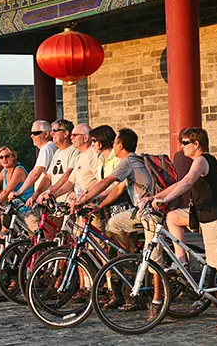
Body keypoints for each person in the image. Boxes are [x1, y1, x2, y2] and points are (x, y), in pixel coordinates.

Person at [148, 127, 217, 330]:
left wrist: (165, 199)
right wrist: (154, 197)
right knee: (173, 217)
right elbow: (179, 184)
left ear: (197, 144)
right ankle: (181, 262)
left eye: (185, 142)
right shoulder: (197, 162)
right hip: (201, 214)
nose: (181, 146)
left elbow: (187, 182)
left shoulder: (202, 160)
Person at [72, 128, 162, 315]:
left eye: (115, 143)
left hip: (152, 212)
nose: (113, 146)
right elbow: (117, 189)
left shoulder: (128, 161)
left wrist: (83, 199)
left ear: (121, 145)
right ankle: (129, 257)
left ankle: (157, 300)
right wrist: (99, 206)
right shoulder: (128, 163)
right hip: (139, 211)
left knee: (154, 257)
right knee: (113, 223)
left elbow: (106, 182)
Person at [9, 120, 57, 203]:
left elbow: (36, 173)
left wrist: (19, 192)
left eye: (35, 133)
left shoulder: (46, 148)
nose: (32, 136)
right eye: (31, 133)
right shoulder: (51, 147)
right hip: (47, 195)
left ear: (46, 134)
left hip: (47, 197)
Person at [34, 119, 80, 204]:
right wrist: (36, 194)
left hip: (68, 202)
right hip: (56, 203)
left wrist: (50, 192)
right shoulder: (57, 152)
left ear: (66, 133)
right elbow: (48, 177)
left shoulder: (75, 150)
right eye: (51, 131)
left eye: (55, 130)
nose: (52, 133)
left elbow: (68, 174)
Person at [0, 147, 34, 218]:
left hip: (27, 210)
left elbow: (6, 191)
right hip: (13, 210)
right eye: (1, 157)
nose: (4, 159)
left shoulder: (18, 170)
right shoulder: (4, 171)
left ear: (14, 157)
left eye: (7, 156)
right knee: (4, 228)